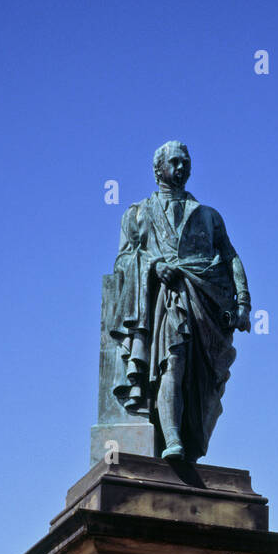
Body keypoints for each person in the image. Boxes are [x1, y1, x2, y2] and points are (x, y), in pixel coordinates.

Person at [109, 141, 251, 462]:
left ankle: (187, 436)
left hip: (205, 305)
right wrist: (154, 266)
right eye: (175, 161)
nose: (182, 167)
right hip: (164, 301)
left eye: (186, 162)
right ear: (158, 169)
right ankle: (172, 437)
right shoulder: (137, 214)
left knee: (201, 379)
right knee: (172, 360)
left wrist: (242, 302)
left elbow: (229, 257)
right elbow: (122, 262)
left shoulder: (208, 215)